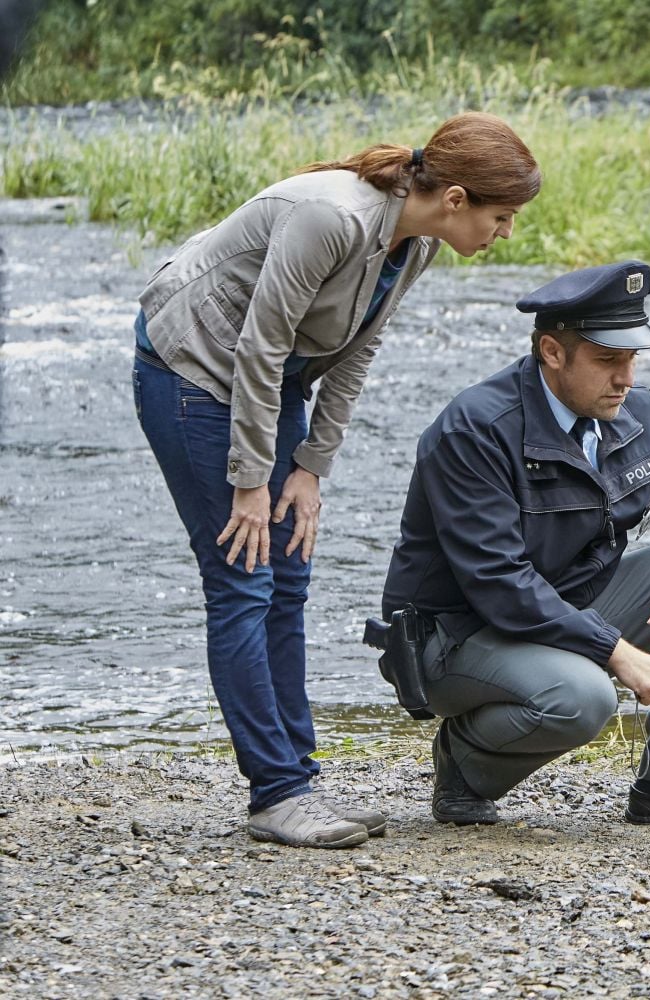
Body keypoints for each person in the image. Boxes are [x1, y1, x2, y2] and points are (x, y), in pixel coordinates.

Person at [133, 112, 541, 848]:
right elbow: (258, 344)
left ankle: (299, 778)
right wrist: (253, 480)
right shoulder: (331, 217)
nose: (506, 231)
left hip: (269, 378)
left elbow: (357, 349)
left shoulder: (413, 245)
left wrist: (311, 468)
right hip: (192, 369)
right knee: (242, 576)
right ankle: (276, 796)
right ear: (455, 198)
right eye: (501, 216)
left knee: (289, 578)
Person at [382, 260, 650, 826]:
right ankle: (464, 765)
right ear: (551, 352)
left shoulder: (638, 413)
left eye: (633, 358)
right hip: (457, 635)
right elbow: (499, 584)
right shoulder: (474, 430)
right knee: (586, 697)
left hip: (567, 604)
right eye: (608, 360)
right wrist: (618, 653)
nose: (627, 378)